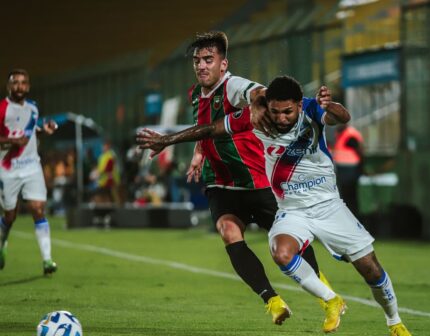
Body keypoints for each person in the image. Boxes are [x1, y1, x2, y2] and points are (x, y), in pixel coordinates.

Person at [137, 76, 412, 335]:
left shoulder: (311, 110)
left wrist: (331, 105)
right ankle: (331, 300)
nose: (280, 118)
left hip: (329, 206)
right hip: (292, 210)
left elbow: (342, 117)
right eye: (276, 111)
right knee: (280, 251)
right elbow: (211, 129)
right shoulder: (257, 117)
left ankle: (394, 321)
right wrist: (166, 140)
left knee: (371, 269)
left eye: (287, 112)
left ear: (298, 104)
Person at [141, 31, 328, 325]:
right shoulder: (195, 94)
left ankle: (325, 296)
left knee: (291, 242)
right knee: (228, 231)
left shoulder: (232, 86)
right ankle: (273, 301)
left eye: (208, 60)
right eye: (197, 60)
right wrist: (199, 153)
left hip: (257, 181)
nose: (202, 66)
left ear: (223, 64)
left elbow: (259, 91)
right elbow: (205, 128)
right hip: (220, 183)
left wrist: (259, 101)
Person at [0, 69, 58, 275]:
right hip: (8, 169)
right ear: (8, 86)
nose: (19, 86)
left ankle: (47, 260)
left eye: (23, 83)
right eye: (15, 82)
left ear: (28, 86)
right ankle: (2, 241)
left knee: (38, 208)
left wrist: (44, 130)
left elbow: (30, 131)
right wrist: (12, 141)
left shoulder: (33, 108)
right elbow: (13, 137)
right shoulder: (2, 109)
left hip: (32, 165)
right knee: (10, 215)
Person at [333, 124, 364, 216]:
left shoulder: (350, 134)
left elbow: (359, 151)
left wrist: (361, 167)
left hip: (350, 169)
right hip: (343, 169)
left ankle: (353, 216)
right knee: (345, 196)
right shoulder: (341, 133)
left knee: (349, 196)